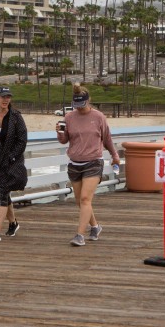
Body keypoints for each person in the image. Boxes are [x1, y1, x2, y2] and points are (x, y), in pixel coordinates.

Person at [56, 83, 120, 247]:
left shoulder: (99, 117)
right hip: (74, 163)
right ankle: (95, 226)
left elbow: (107, 139)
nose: (79, 108)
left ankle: (79, 235)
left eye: (81, 105)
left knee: (85, 198)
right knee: (80, 201)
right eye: (76, 105)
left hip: (93, 162)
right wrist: (59, 132)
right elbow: (64, 141)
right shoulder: (69, 117)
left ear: (88, 100)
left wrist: (114, 155)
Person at [0, 86, 28, 242]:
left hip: (11, 161)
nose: (6, 100)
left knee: (2, 192)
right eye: (3, 97)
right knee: (4, 192)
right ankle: (13, 223)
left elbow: (22, 140)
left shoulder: (16, 116)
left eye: (8, 97)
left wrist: (12, 157)